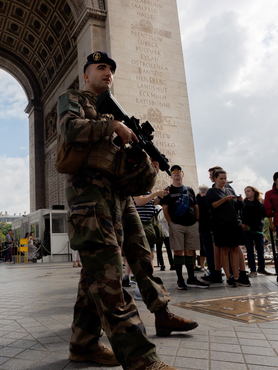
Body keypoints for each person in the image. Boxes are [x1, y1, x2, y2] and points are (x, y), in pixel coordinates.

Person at [58, 51, 192, 370]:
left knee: (135, 256)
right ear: (86, 74)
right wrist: (112, 125)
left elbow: (125, 164)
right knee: (108, 274)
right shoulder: (72, 98)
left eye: (111, 70)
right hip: (89, 193)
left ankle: (85, 343)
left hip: (119, 194)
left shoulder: (116, 115)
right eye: (101, 68)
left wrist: (145, 160)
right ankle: (140, 359)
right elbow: (70, 130)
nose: (108, 73)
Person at [159, 165, 208, 290]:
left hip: (191, 224)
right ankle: (180, 279)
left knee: (190, 251)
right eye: (173, 171)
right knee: (178, 251)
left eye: (178, 171)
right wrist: (170, 222)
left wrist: (197, 220)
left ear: (182, 174)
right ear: (171, 176)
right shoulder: (168, 190)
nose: (176, 173)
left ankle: (191, 278)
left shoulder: (190, 190)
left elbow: (195, 206)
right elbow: (164, 207)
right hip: (176, 224)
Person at [205, 170, 250, 287]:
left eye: (225, 178)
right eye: (221, 178)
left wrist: (240, 201)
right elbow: (211, 206)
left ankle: (236, 276)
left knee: (235, 249)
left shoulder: (230, 190)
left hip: (234, 224)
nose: (223, 181)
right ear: (215, 179)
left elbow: (238, 207)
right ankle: (228, 277)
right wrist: (224, 199)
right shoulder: (211, 191)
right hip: (221, 225)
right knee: (225, 250)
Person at [242, 186, 271, 277]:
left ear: (254, 192)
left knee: (261, 250)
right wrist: (242, 224)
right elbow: (240, 214)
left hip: (258, 229)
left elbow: (265, 214)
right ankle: (252, 270)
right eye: (245, 191)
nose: (247, 193)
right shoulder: (244, 203)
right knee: (250, 250)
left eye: (248, 191)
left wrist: (264, 203)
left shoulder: (260, 203)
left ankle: (261, 268)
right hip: (247, 229)